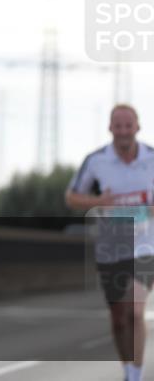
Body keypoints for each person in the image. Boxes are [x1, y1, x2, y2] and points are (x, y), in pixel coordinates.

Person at [65, 104, 154, 381]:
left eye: (128, 125)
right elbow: (71, 197)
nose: (123, 131)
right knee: (118, 318)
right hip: (111, 248)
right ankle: (127, 368)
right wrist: (98, 202)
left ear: (138, 127)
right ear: (110, 128)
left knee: (135, 310)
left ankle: (135, 376)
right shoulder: (96, 161)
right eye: (118, 125)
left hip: (145, 246)